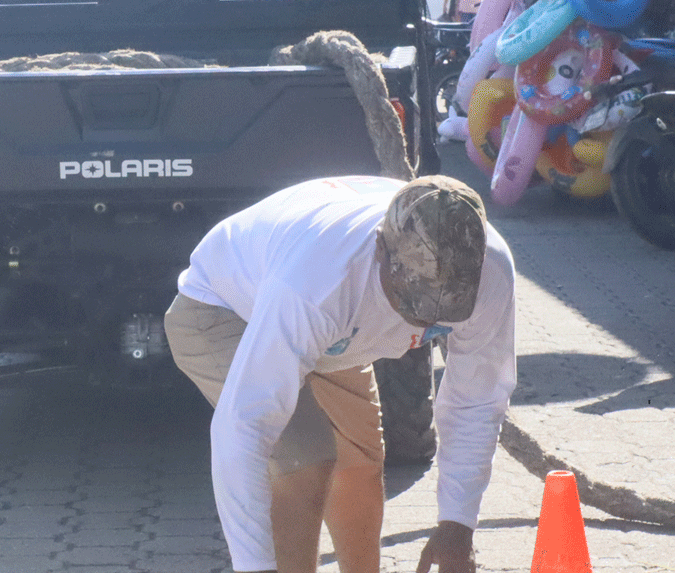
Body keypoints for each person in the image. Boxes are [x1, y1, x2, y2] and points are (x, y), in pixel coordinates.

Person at [165, 175, 516, 573]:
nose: (426, 317)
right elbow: (243, 428)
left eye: (446, 304)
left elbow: (477, 398)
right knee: (305, 458)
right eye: (414, 297)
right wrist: (255, 566)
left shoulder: (489, 271)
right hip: (224, 308)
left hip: (332, 333)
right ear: (380, 248)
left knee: (359, 464)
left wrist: (457, 524)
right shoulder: (317, 282)